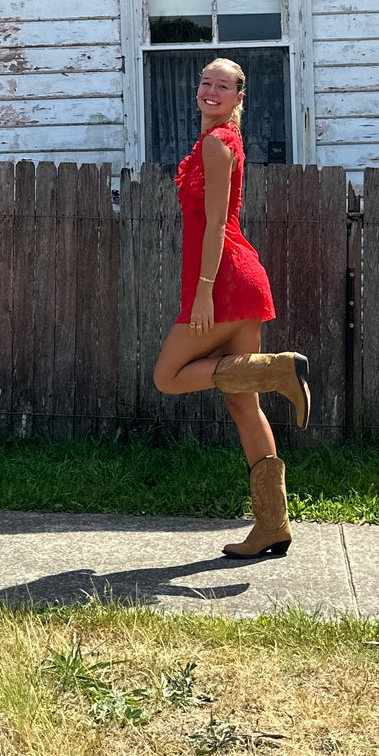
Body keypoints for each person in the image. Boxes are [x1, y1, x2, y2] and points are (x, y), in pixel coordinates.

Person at [152, 57, 311, 557]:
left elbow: (218, 224)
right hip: (237, 279)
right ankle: (272, 524)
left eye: (223, 86)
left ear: (239, 98)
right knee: (244, 402)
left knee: (168, 376)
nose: (211, 90)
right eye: (205, 81)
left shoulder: (219, 145)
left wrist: (202, 290)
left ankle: (277, 368)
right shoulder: (215, 142)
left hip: (224, 281)